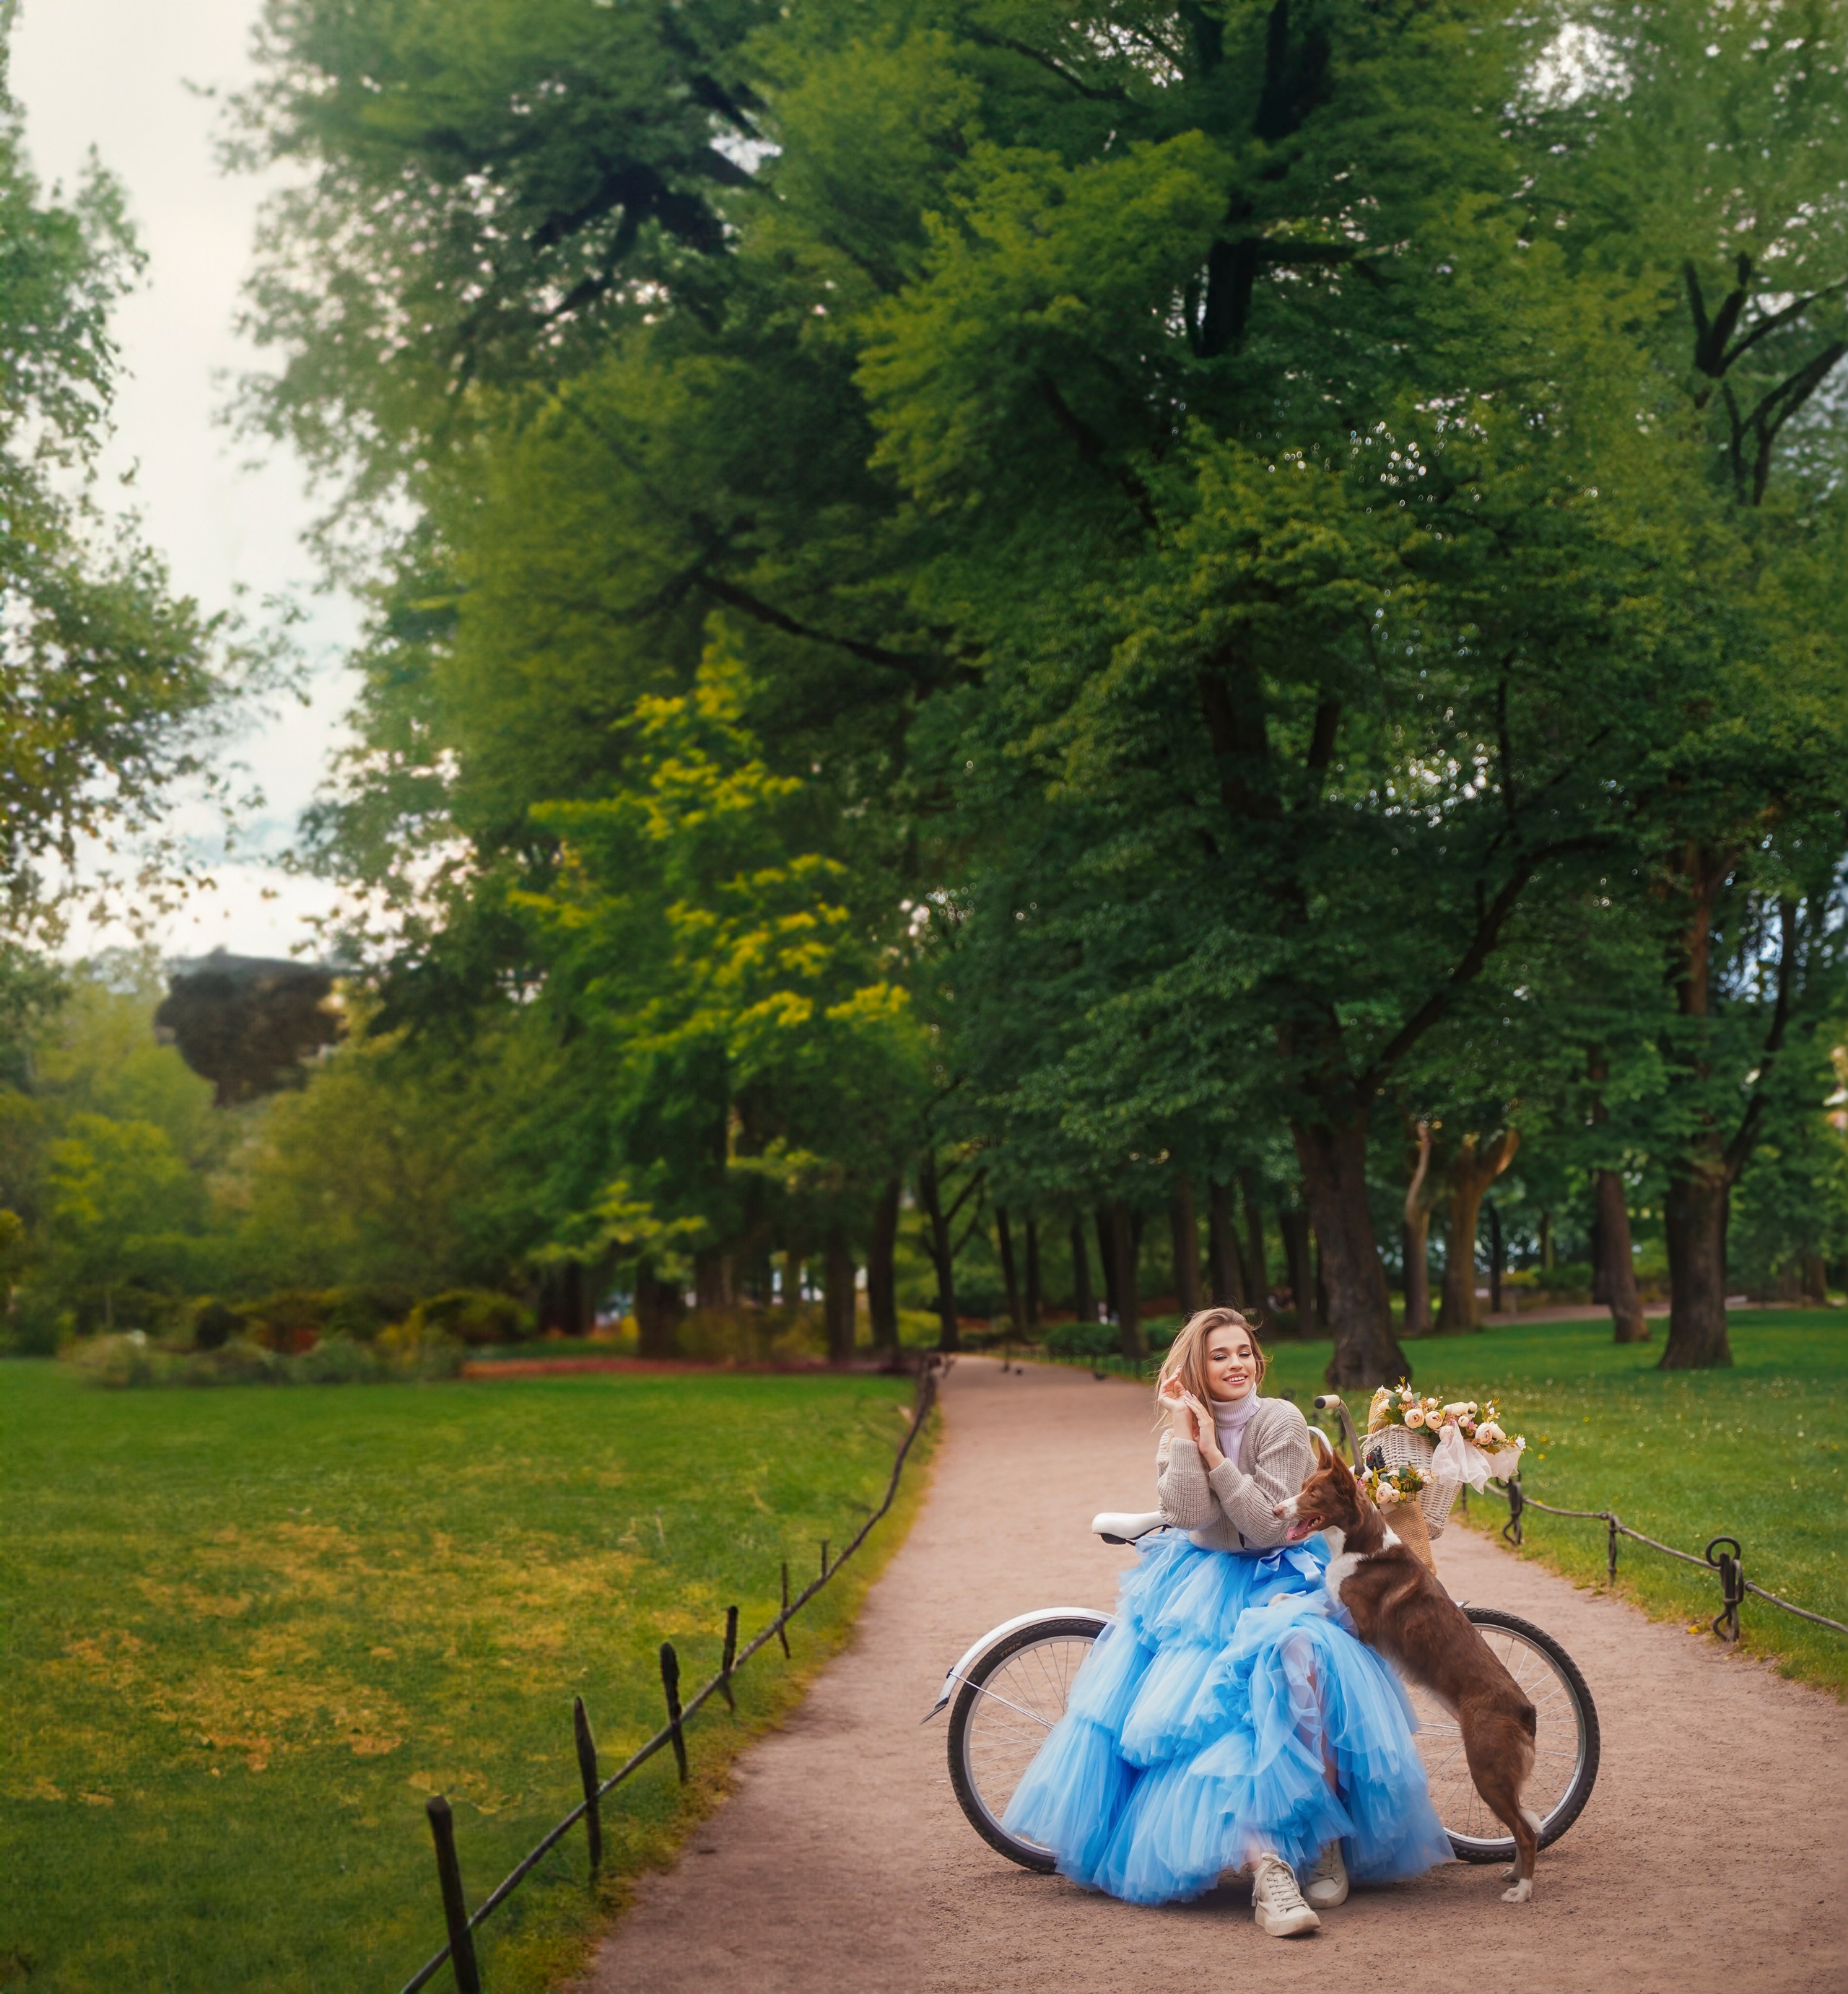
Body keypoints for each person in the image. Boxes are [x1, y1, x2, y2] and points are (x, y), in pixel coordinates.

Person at [1001, 1305, 1452, 1935]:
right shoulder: (1177, 1435)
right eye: (1219, 1356)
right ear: (1196, 1369)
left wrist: (1216, 1451)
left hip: (1281, 1575)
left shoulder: (1281, 1421)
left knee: (1305, 1663)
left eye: (1243, 1352)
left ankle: (1322, 1838)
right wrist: (1190, 1435)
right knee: (1215, 1706)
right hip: (1205, 1581)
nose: (1236, 1364)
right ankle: (1266, 1866)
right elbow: (1187, 1516)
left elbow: (1270, 1527)